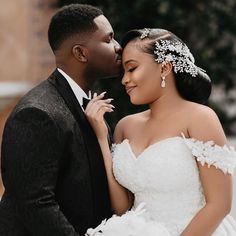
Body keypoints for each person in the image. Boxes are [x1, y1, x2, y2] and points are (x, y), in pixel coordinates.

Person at [84, 28, 236, 235]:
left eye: (132, 68)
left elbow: (219, 205)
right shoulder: (125, 126)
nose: (124, 80)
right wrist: (102, 138)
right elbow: (122, 208)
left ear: (165, 68)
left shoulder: (201, 118)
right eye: (124, 72)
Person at [0, 4, 121, 236]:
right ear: (81, 53)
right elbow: (35, 204)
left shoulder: (91, 106)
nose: (118, 48)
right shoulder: (37, 113)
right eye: (108, 40)